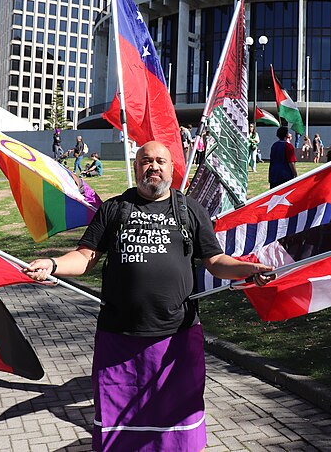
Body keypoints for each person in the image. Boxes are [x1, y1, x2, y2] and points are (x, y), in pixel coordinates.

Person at [24, 141, 273, 451]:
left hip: (176, 339)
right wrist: (53, 264)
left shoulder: (189, 209)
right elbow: (86, 257)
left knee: (177, 420)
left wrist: (246, 269)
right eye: (146, 160)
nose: (153, 166)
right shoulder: (114, 209)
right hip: (120, 339)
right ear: (136, 167)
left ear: (171, 169)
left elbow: (215, 262)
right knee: (120, 425)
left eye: (160, 161)